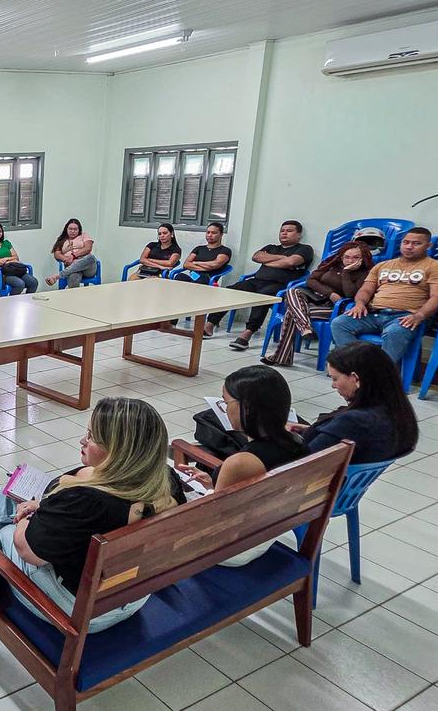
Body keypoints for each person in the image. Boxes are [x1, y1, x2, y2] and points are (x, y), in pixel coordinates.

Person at [0, 398, 184, 633]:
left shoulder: (88, 501)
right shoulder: (165, 480)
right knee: (15, 496)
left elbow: (27, 549)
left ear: (119, 453)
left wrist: (25, 518)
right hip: (133, 595)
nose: (82, 440)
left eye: (91, 437)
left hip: (82, 612)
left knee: (4, 523)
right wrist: (44, 506)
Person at [178, 366, 309, 568]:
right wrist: (213, 484)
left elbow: (212, 521)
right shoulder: (298, 443)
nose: (223, 408)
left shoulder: (241, 463)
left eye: (225, 402)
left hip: (233, 550)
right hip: (269, 532)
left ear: (246, 408)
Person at [331, 227, 438, 364]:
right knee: (339, 323)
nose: (409, 247)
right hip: (373, 313)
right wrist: (359, 304)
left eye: (416, 243)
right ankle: (356, 365)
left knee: (394, 332)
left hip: (405, 316)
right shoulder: (383, 266)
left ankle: (381, 374)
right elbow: (365, 290)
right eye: (406, 242)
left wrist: (420, 315)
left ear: (428, 246)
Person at [287, 342, 419, 464]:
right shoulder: (398, 414)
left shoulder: (354, 422)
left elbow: (302, 464)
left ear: (355, 379)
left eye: (335, 378)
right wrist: (317, 431)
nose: (333, 385)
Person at [205, 220, 315, 351]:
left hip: (280, 286)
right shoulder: (271, 246)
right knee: (230, 290)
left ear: (298, 235)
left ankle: (247, 334)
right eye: (282, 230)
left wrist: (269, 260)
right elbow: (256, 257)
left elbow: (291, 262)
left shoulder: (305, 249)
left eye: (289, 231)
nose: (284, 233)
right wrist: (282, 259)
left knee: (262, 297)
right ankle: (210, 324)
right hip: (256, 281)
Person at [261, 242, 373, 367]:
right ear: (341, 257)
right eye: (347, 257)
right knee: (292, 291)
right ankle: (304, 327)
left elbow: (350, 294)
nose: (350, 260)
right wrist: (329, 293)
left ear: (363, 258)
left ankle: (282, 356)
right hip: (314, 299)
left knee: (291, 313)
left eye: (355, 257)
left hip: (335, 307)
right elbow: (311, 280)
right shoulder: (332, 265)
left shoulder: (365, 274)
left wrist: (346, 273)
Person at [0, 222, 38, 295]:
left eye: (0, 231)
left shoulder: (6, 243)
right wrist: (10, 260)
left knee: (33, 282)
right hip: (0, 274)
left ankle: (27, 301)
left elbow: (16, 257)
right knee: (20, 284)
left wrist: (4, 259)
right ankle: (11, 303)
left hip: (14, 270)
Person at [46, 218, 97, 288]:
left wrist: (73, 256)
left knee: (91, 258)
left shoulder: (84, 235)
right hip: (71, 266)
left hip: (88, 268)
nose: (73, 231)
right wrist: (66, 259)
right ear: (66, 229)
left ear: (79, 230)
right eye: (70, 229)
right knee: (73, 276)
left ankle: (58, 276)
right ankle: (73, 298)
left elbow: (88, 248)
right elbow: (57, 254)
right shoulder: (61, 239)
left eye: (75, 229)